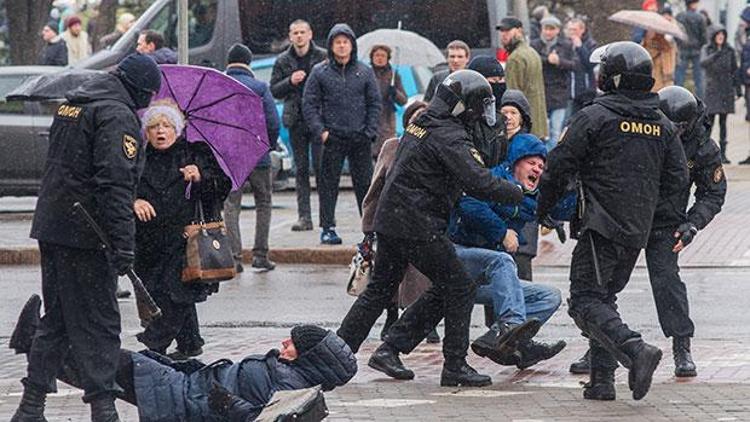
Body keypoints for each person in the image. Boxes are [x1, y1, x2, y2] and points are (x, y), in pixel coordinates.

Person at [337, 70, 524, 387]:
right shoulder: (449, 136)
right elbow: (477, 180)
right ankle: (454, 366)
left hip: (394, 219)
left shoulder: (423, 123)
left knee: (382, 290)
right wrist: (517, 192)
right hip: (418, 224)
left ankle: (337, 355)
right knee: (460, 286)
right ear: (464, 106)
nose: (482, 115)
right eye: (479, 108)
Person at [12, 53, 160, 422]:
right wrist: (124, 244)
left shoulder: (73, 105)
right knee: (101, 322)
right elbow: (115, 185)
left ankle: (31, 406)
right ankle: (103, 407)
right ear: (140, 90)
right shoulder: (116, 115)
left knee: (58, 319)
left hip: (54, 227)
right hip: (88, 236)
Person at [537, 41, 688, 401]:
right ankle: (601, 382)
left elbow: (558, 166)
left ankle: (636, 349)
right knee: (605, 297)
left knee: (585, 300)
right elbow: (678, 179)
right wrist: (650, 215)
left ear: (612, 77)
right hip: (637, 230)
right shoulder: (662, 125)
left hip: (599, 226)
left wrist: (543, 206)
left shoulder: (595, 116)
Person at [569, 86, 726, 380]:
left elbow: (713, 192)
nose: (675, 131)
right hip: (625, 215)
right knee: (603, 285)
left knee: (666, 282)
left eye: (681, 127)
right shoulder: (645, 126)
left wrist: (692, 223)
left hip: (666, 223)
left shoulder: (703, 146)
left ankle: (682, 345)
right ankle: (603, 343)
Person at [9, 302, 356, 422]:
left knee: (107, 364)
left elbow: (255, 420)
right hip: (187, 385)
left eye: (292, 343)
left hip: (187, 400)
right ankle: (37, 341)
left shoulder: (289, 388)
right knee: (107, 369)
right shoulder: (292, 377)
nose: (284, 342)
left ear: (310, 358)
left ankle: (36, 338)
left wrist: (224, 401)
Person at [448, 133, 571, 369]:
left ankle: (500, 338)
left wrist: (568, 185)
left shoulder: (531, 197)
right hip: (461, 261)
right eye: (532, 163)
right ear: (516, 163)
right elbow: (468, 204)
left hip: (489, 277)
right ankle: (513, 334)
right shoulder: (493, 178)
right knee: (503, 261)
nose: (537, 168)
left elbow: (560, 208)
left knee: (550, 296)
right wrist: (502, 232)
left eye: (541, 166)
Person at [133, 100, 232, 359]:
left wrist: (200, 176)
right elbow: (122, 188)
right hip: (149, 242)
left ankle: (154, 345)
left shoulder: (195, 153)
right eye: (154, 126)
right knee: (158, 292)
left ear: (177, 130)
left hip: (186, 240)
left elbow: (222, 187)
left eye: (166, 125)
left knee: (177, 293)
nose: (160, 131)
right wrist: (135, 201)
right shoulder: (139, 158)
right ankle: (190, 342)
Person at [302, 23, 381, 245]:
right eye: (338, 42)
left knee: (365, 186)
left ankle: (369, 231)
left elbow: (374, 103)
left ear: (352, 45)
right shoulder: (320, 72)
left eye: (346, 42)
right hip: (332, 138)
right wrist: (321, 132)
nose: (342, 46)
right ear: (330, 46)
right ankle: (328, 228)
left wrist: (369, 131)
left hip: (360, 138)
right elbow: (309, 104)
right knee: (328, 185)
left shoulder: (364, 71)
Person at [223, 44, 280, 272]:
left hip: (231, 157)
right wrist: (267, 146)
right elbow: (273, 122)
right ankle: (260, 255)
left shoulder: (221, 86)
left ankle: (234, 258)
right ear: (248, 62)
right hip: (258, 156)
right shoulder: (259, 87)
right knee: (263, 203)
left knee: (231, 205)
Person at [270, 19, 327, 232]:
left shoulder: (322, 57)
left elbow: (331, 86)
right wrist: (290, 81)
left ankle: (326, 216)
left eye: (303, 32)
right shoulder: (283, 60)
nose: (300, 36)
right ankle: (305, 217)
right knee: (301, 170)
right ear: (290, 36)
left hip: (318, 119)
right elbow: (274, 89)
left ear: (310, 34)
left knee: (322, 169)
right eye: (296, 33)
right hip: (296, 120)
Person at [530, 15, 579, 150]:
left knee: (556, 131)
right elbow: (533, 60)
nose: (548, 32)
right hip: (540, 93)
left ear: (557, 30)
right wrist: (548, 60)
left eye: (552, 29)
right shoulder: (534, 44)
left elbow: (574, 64)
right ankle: (541, 156)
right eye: (546, 28)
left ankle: (550, 158)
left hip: (559, 93)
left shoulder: (566, 45)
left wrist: (559, 61)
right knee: (540, 131)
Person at [498, 16, 549, 142]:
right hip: (538, 124)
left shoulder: (515, 58)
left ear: (519, 31)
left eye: (507, 31)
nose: (504, 35)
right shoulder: (531, 52)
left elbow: (512, 98)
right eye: (502, 31)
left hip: (525, 128)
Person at [700, 25, 740, 164]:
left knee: (724, 123)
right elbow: (703, 63)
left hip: (725, 90)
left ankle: (723, 154)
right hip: (712, 90)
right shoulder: (707, 49)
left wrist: (738, 89)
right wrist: (716, 54)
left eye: (722, 35)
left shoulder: (729, 50)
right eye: (718, 35)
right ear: (714, 36)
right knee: (709, 123)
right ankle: (703, 152)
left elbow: (734, 70)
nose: (720, 37)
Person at [370, 44, 407, 159]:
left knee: (386, 155)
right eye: (377, 55)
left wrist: (394, 92)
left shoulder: (393, 75)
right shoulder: (366, 73)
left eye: (383, 55)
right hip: (370, 119)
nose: (380, 58)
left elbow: (403, 100)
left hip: (387, 120)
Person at [675, 0, 707, 96]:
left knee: (680, 76)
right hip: (696, 49)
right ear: (693, 4)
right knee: (698, 78)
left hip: (683, 48)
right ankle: (700, 100)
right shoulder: (700, 17)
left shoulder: (679, 16)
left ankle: (677, 97)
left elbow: (676, 33)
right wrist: (699, 44)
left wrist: (680, 43)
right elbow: (703, 36)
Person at [566, 17, 598, 115]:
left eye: (574, 30)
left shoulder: (591, 43)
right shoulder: (565, 44)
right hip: (569, 91)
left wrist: (580, 47)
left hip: (586, 91)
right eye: (570, 29)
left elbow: (590, 63)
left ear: (582, 30)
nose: (572, 32)